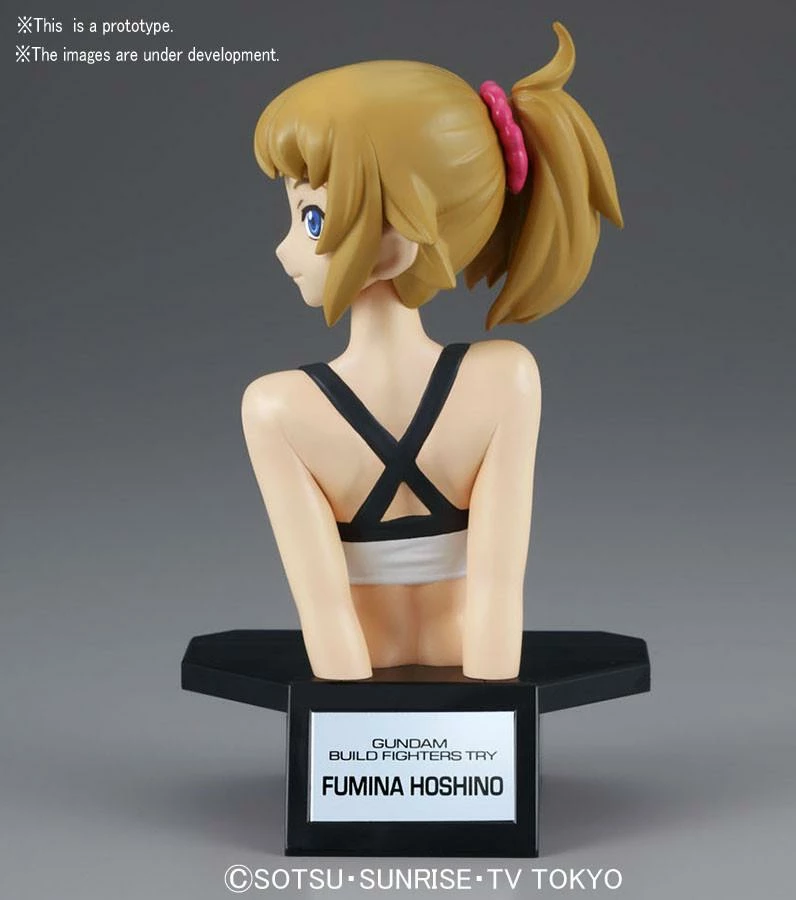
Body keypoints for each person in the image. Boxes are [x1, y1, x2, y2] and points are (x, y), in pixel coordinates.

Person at [241, 23, 623, 680]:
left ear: (400, 240)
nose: (284, 249)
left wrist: (359, 725)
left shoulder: (277, 408)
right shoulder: (506, 379)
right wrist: (488, 708)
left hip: (365, 659)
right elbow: (497, 597)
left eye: (312, 219)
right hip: (466, 650)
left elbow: (328, 619)